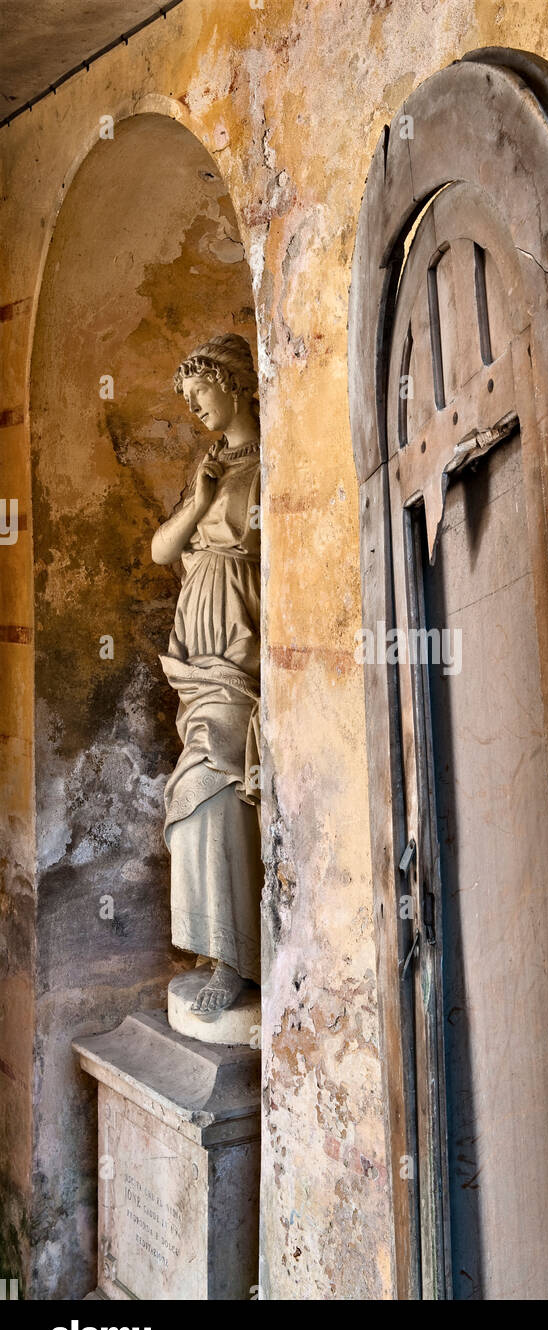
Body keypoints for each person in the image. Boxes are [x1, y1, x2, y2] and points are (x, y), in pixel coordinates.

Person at [151, 333, 262, 1017]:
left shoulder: (272, 464)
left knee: (217, 794)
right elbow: (164, 548)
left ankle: (236, 956)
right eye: (188, 402)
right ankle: (217, 946)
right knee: (195, 796)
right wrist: (198, 499)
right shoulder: (210, 468)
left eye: (201, 393)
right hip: (195, 669)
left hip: (241, 659)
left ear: (235, 383)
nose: (195, 409)